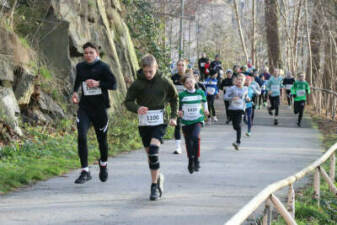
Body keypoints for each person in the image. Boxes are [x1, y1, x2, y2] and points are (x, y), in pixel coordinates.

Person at [124, 54, 178, 201]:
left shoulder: (164, 81)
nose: (148, 74)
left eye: (151, 72)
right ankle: (158, 176)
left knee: (154, 151)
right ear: (142, 69)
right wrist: (137, 107)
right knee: (150, 156)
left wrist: (173, 116)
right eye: (145, 71)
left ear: (156, 68)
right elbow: (128, 101)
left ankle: (154, 186)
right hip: (144, 123)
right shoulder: (137, 84)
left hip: (160, 121)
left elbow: (174, 97)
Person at [72, 42, 117, 184]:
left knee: (102, 140)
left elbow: (113, 84)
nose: (88, 55)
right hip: (85, 108)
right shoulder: (80, 67)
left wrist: (98, 84)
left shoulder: (103, 67)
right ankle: (85, 171)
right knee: (81, 136)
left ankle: (103, 165)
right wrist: (74, 93)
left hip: (100, 108)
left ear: (96, 53)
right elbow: (78, 81)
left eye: (91, 52)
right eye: (85, 53)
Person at [178, 75, 209, 174]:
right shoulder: (182, 95)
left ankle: (196, 159)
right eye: (187, 83)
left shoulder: (200, 93)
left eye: (191, 82)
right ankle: (190, 160)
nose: (190, 84)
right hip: (186, 121)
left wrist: (206, 110)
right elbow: (179, 107)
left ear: (195, 81)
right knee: (188, 142)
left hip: (197, 119)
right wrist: (179, 112)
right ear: (184, 85)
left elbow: (204, 102)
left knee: (196, 137)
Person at [224, 73, 249, 150]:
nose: (240, 81)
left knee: (238, 125)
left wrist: (248, 99)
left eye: (242, 80)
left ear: (244, 81)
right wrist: (232, 98)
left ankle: (238, 142)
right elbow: (225, 97)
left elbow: (246, 96)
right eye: (238, 79)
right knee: (235, 126)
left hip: (240, 109)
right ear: (236, 80)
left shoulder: (245, 89)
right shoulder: (231, 88)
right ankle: (237, 138)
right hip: (232, 109)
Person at [171, 59, 187, 154]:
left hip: (188, 105)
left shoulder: (189, 77)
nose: (180, 67)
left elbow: (197, 90)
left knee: (188, 125)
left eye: (182, 65)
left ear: (186, 67)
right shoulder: (173, 77)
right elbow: (169, 91)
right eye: (179, 65)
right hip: (177, 104)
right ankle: (178, 147)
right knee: (178, 125)